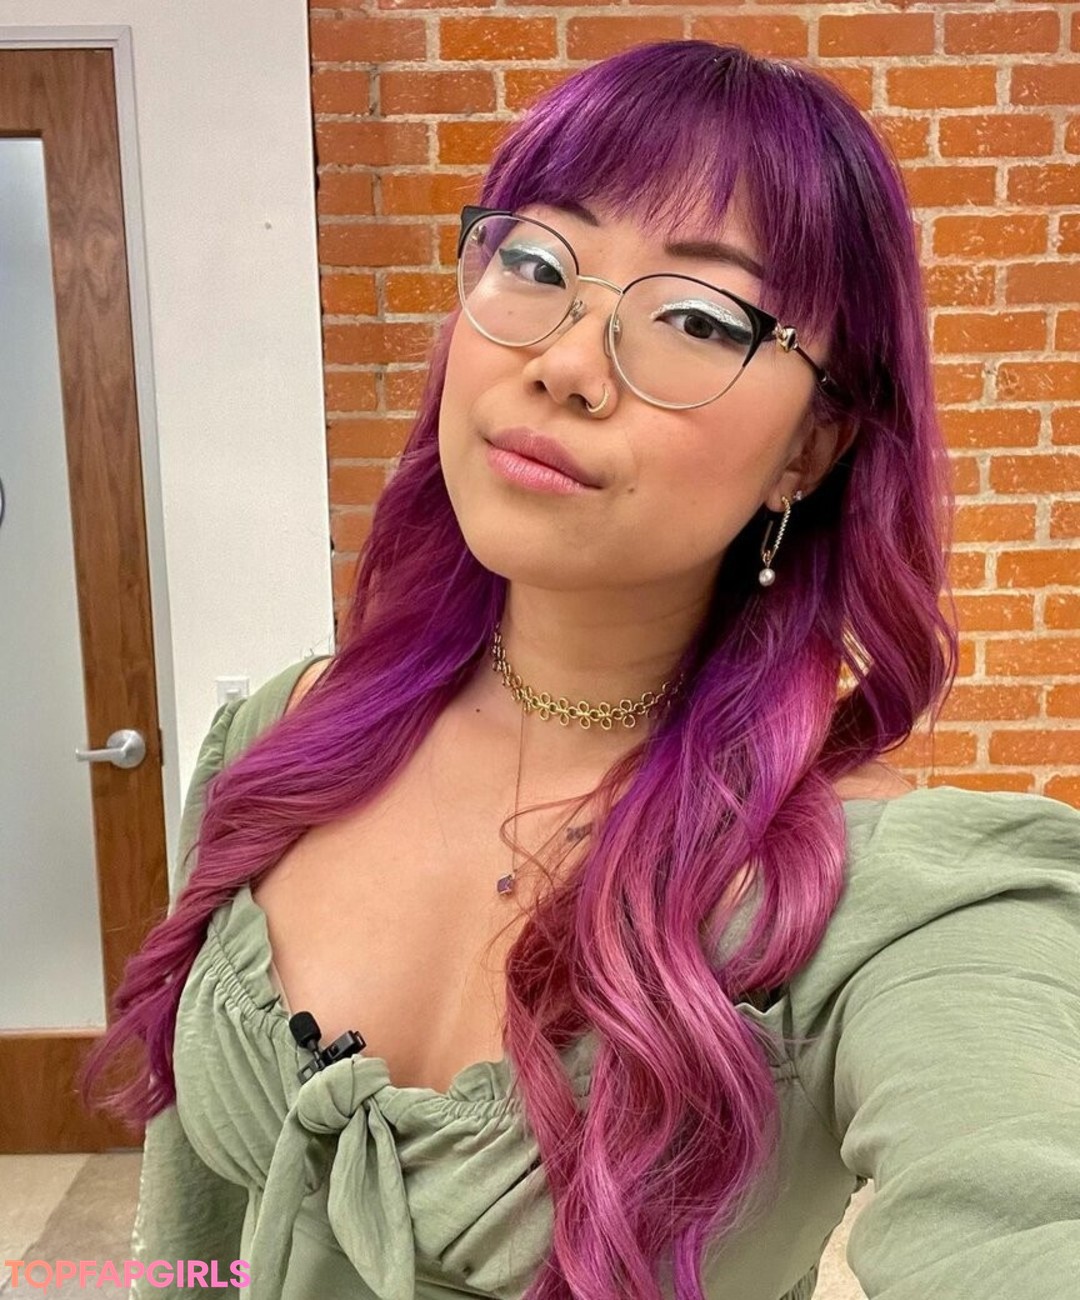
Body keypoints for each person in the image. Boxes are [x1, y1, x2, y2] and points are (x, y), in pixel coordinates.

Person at [82, 40, 1080, 1300]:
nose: (562, 360)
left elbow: (1021, 1212)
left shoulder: (889, 904)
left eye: (698, 318)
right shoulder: (280, 738)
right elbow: (193, 1229)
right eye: (538, 262)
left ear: (810, 448)